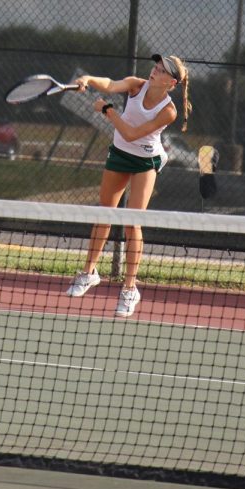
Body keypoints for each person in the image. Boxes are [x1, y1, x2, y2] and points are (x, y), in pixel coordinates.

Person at [66, 54, 191, 317]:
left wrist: (107, 110)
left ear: (172, 82)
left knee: (132, 223)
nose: (155, 70)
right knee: (104, 215)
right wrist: (88, 79)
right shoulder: (136, 85)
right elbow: (110, 84)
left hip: (145, 161)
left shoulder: (168, 111)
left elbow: (132, 133)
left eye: (162, 70)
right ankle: (88, 273)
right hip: (119, 155)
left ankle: (129, 289)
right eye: (156, 66)